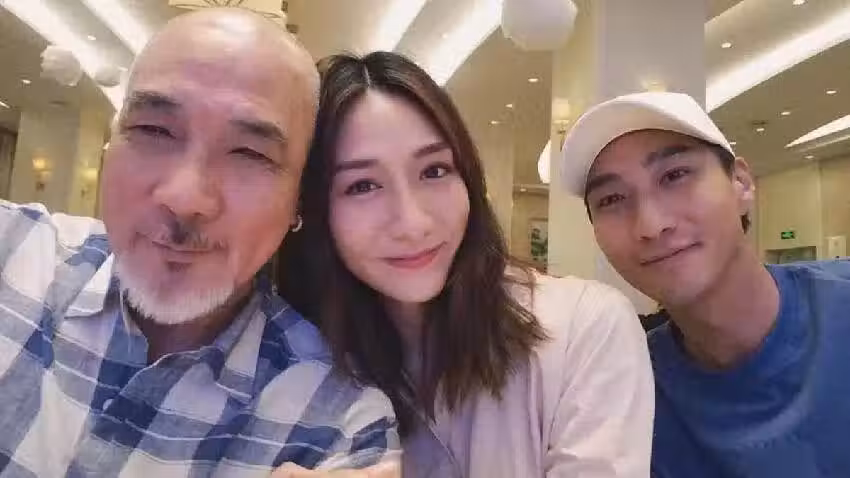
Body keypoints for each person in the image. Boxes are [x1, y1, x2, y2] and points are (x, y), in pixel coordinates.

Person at [0, 8, 401, 476]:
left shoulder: (340, 428)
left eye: (249, 153)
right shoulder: (14, 248)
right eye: (153, 130)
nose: (185, 198)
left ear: (300, 201)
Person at [277, 51, 654, 478]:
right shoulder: (293, 359)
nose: (413, 223)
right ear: (311, 208)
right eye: (362, 185)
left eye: (434, 171)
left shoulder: (585, 327)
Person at [560, 91, 850, 477]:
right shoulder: (624, 387)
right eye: (612, 199)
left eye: (674, 176)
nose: (651, 225)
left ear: (741, 184)